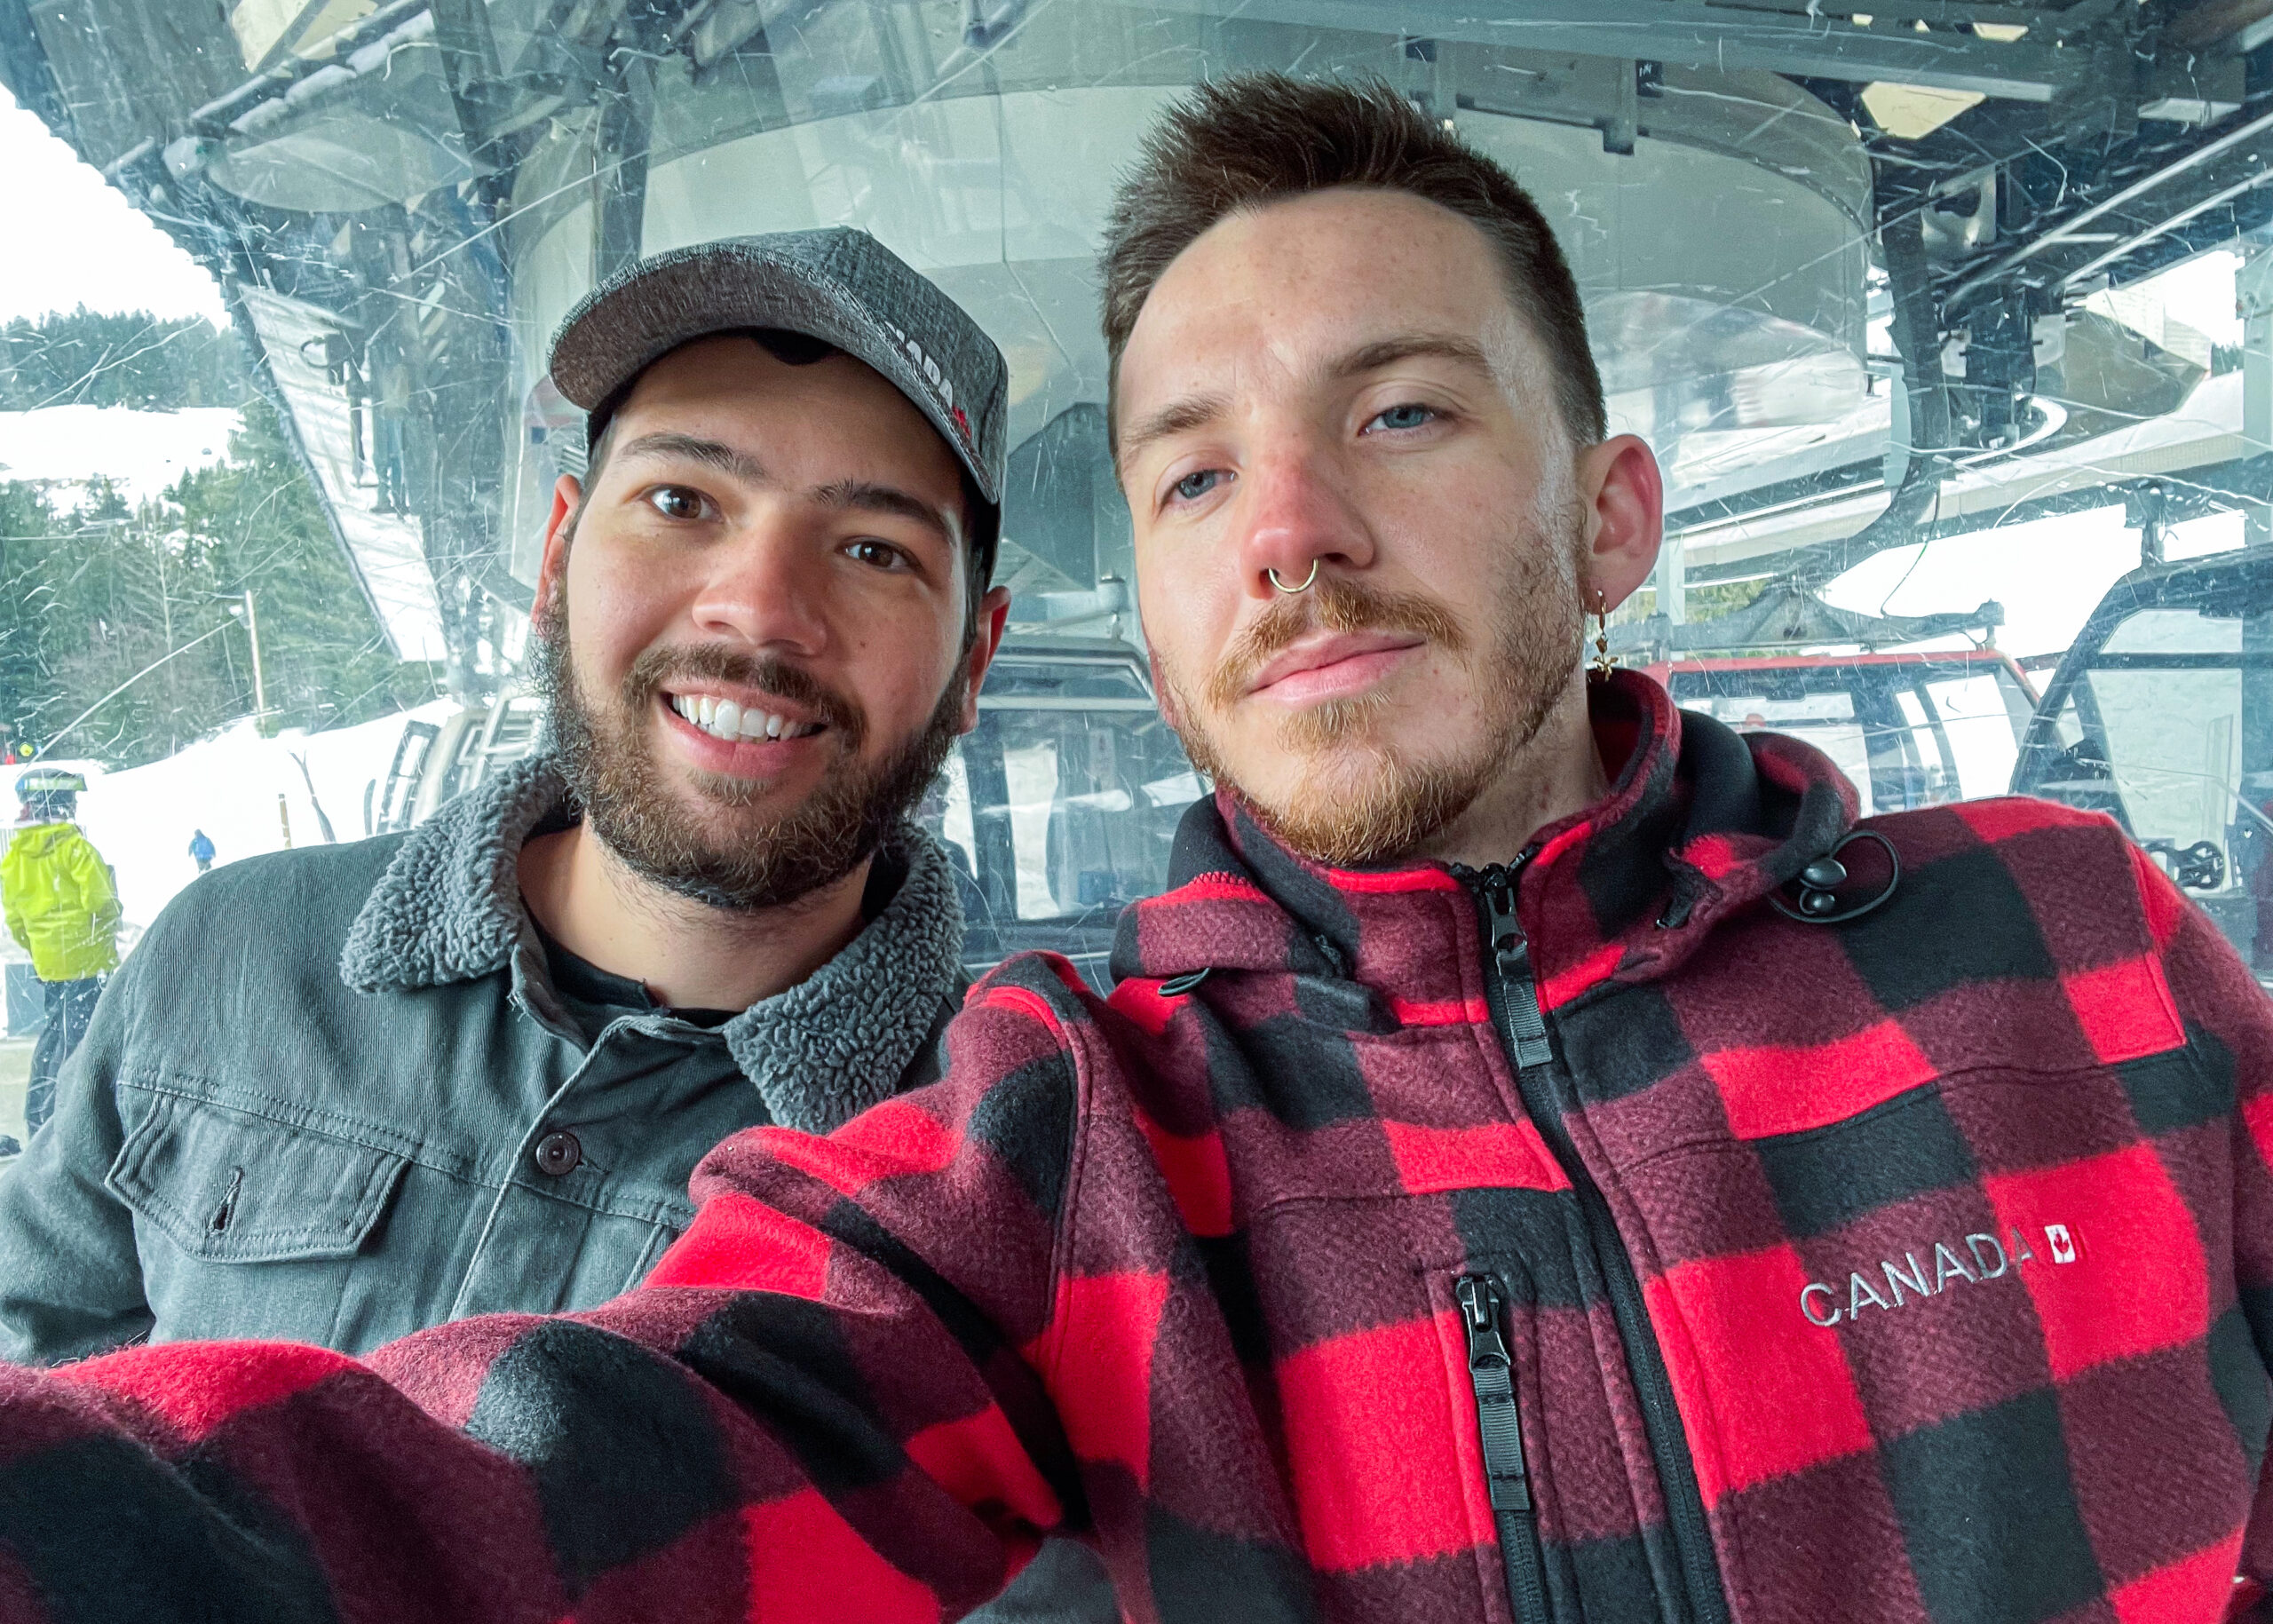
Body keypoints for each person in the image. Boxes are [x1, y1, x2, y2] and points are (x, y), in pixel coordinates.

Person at [0, 76, 2266, 1624]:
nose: (1288, 530)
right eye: (1188, 477)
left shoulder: (2071, 947)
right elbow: (543, 1472)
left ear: (1610, 515)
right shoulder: (1056, 1145)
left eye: (1396, 411)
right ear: (1159, 638)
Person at [0, 231, 1110, 1618]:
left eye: (874, 547)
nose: (760, 608)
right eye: (685, 501)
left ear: (974, 660)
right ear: (557, 553)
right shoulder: (225, 955)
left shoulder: (1023, 1169)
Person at [0, 768, 117, 1138]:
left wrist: (42, 947)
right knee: (84, 1041)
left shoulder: (14, 857)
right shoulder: (74, 848)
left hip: (49, 964)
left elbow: (16, 919)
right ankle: (67, 1123)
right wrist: (105, 929)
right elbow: (101, 901)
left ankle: (41, 1118)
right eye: (72, 802)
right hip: (87, 958)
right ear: (62, 805)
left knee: (57, 1035)